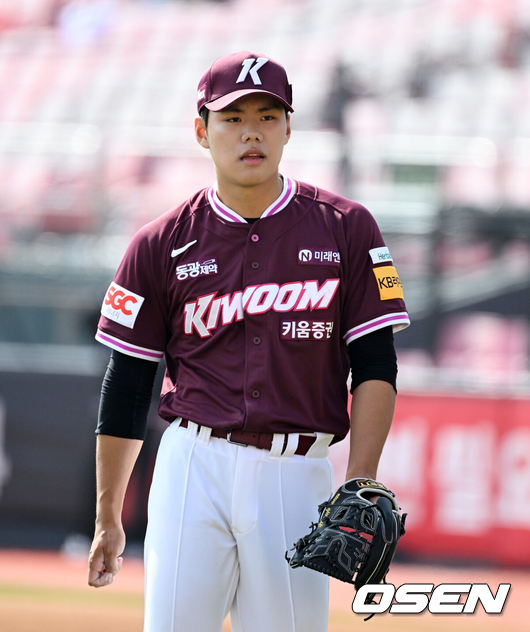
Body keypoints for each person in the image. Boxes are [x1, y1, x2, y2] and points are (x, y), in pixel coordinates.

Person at [87, 51, 410, 632]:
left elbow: (375, 366)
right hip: (193, 464)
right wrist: (108, 512)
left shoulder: (347, 227)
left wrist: (359, 482)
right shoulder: (160, 242)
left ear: (288, 128)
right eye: (233, 118)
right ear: (201, 131)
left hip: (296, 473)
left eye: (267, 116)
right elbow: (129, 383)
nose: (251, 132)